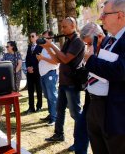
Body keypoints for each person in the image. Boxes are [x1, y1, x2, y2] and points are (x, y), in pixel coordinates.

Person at [84, 0, 125, 154]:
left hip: (118, 114)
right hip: (96, 108)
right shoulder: (107, 41)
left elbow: (122, 71)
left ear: (120, 15)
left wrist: (90, 60)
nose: (100, 18)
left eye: (105, 14)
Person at [43, 17, 84, 151]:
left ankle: (79, 142)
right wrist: (48, 49)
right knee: (60, 110)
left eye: (65, 27)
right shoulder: (68, 41)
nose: (62, 29)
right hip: (64, 82)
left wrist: (52, 45)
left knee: (76, 114)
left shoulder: (78, 41)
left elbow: (66, 59)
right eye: (62, 27)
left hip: (72, 83)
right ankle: (58, 134)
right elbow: (58, 59)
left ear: (73, 26)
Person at [74, 22, 108, 154]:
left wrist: (92, 59)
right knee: (81, 130)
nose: (88, 46)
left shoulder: (109, 48)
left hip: (105, 104)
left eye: (89, 43)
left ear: (98, 36)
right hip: (90, 100)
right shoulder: (93, 50)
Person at [37, 30, 59, 126]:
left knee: (52, 97)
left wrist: (42, 58)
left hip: (50, 74)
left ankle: (55, 118)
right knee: (48, 96)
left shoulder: (53, 47)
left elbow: (56, 62)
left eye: (45, 37)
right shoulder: (44, 48)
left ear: (51, 38)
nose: (43, 39)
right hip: (44, 75)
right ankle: (51, 114)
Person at [25, 32, 43, 113]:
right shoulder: (29, 47)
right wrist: (28, 67)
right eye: (30, 36)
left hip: (38, 71)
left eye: (33, 36)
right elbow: (27, 59)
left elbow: (40, 60)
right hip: (29, 72)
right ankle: (31, 107)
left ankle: (39, 106)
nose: (31, 38)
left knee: (39, 89)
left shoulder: (40, 47)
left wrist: (34, 68)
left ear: (37, 37)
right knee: (30, 90)